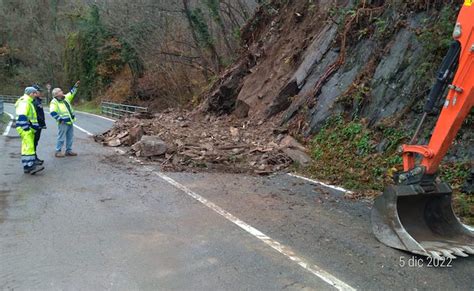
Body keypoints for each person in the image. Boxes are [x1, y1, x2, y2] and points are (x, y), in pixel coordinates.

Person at [15, 87, 44, 174]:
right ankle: (30, 166)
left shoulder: (27, 101)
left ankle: (27, 165)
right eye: (34, 93)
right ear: (30, 93)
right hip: (26, 128)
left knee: (26, 147)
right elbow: (22, 115)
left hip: (27, 128)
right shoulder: (25, 102)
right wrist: (26, 128)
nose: (36, 95)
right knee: (29, 147)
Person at [50, 81, 80, 157]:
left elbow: (72, 93)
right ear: (56, 94)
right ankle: (58, 151)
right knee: (61, 137)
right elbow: (53, 112)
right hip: (62, 123)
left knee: (70, 137)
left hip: (70, 121)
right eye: (60, 91)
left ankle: (68, 151)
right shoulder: (54, 102)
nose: (62, 91)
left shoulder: (65, 98)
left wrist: (75, 86)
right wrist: (60, 119)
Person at [32, 84, 46, 165]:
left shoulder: (38, 100)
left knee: (35, 142)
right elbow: (35, 114)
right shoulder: (33, 101)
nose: (40, 92)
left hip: (39, 125)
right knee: (33, 143)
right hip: (35, 125)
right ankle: (33, 159)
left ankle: (35, 157)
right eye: (38, 91)